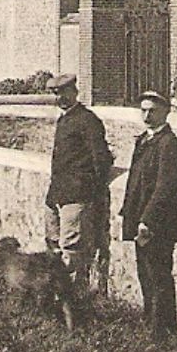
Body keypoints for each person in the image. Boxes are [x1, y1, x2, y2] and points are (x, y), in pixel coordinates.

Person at [120, 90, 177, 338]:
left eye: (153, 111)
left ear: (166, 112)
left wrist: (147, 220)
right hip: (141, 221)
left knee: (158, 275)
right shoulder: (144, 140)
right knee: (145, 273)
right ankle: (150, 323)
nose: (147, 116)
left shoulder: (170, 145)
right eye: (143, 110)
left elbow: (165, 188)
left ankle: (163, 331)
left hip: (158, 224)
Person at [43, 73, 112, 294]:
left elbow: (100, 158)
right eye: (56, 93)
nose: (61, 97)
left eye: (64, 92)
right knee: (53, 244)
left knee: (71, 250)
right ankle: (53, 295)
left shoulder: (87, 120)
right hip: (56, 195)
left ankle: (71, 298)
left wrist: (92, 191)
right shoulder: (64, 119)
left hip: (77, 195)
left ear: (75, 92)